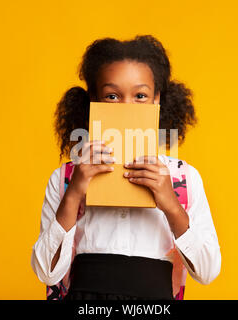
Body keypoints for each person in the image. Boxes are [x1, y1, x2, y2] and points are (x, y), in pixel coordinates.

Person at [31, 35, 221, 300]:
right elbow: (47, 274)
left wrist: (171, 205)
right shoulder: (65, 178)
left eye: (140, 95)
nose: (126, 107)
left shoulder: (183, 178)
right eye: (112, 96)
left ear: (157, 100)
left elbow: (208, 271)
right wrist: (74, 194)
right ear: (94, 101)